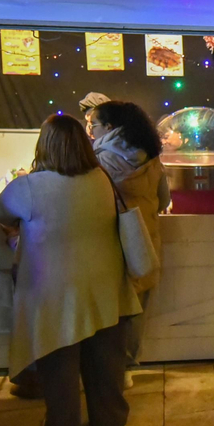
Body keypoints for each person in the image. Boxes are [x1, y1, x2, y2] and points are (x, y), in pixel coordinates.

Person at [0, 114, 140, 426]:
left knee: (58, 365)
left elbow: (2, 214)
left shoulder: (28, 187)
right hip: (105, 284)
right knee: (105, 360)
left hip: (52, 291)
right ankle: (111, 419)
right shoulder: (101, 179)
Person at [87, 100, 170, 365]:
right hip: (146, 241)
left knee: (114, 308)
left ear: (109, 127)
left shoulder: (98, 159)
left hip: (112, 243)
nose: (91, 131)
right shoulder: (152, 157)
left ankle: (111, 368)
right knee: (138, 307)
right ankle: (128, 365)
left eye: (94, 125)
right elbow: (164, 200)